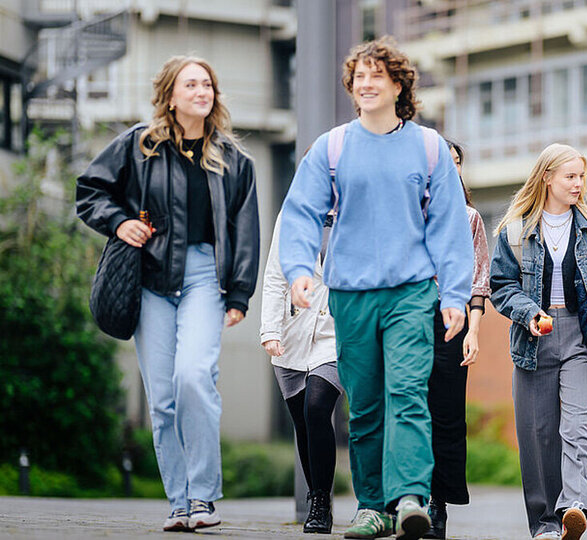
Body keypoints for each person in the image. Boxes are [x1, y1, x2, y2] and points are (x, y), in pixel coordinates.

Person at [279, 37, 473, 540]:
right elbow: (300, 212)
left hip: (411, 292)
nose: (365, 84)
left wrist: (454, 296)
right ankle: (371, 506)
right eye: (358, 76)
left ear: (398, 84)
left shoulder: (428, 148)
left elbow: (450, 228)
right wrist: (301, 269)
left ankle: (409, 496)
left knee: (407, 392)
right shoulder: (334, 146)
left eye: (375, 75)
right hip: (350, 293)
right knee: (364, 403)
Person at [76, 55, 259, 532]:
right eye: (191, 84)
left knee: (194, 377)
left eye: (208, 84)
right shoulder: (139, 145)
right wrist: (120, 222)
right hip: (151, 278)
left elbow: (245, 230)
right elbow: (90, 190)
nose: (202, 91)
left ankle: (203, 497)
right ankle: (179, 502)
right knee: (162, 397)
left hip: (204, 275)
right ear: (171, 95)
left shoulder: (236, 161)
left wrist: (239, 294)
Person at [489, 143, 587, 540]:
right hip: (533, 335)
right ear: (547, 178)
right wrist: (528, 313)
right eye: (570, 176)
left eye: (581, 177)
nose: (578, 184)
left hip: (581, 335)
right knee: (537, 434)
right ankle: (544, 525)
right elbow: (500, 287)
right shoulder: (516, 230)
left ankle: (574, 506)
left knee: (576, 427)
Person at [424, 141, 491, 540]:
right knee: (409, 407)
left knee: (446, 413)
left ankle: (438, 505)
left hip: (454, 321)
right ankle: (403, 499)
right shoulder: (409, 213)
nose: (449, 169)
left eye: (456, 163)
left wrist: (475, 332)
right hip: (409, 317)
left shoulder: (469, 218)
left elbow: (478, 279)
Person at [260, 212, 341, 534]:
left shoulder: (357, 201)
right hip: (292, 331)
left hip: (337, 331)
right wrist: (269, 330)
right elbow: (275, 276)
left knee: (317, 408)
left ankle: (320, 502)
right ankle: (317, 493)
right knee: (303, 422)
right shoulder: (292, 212)